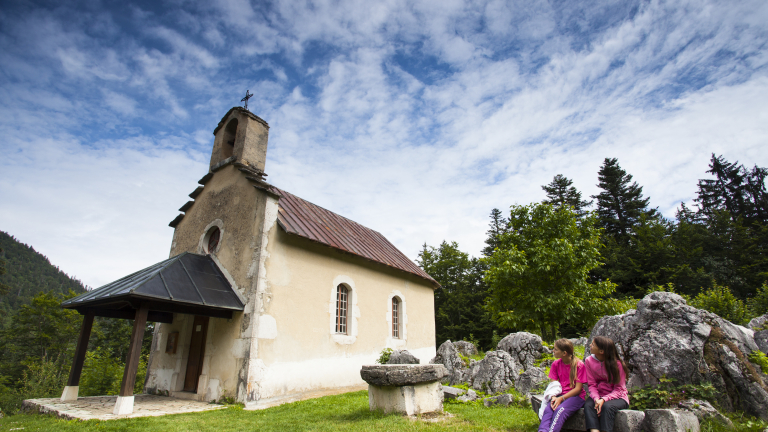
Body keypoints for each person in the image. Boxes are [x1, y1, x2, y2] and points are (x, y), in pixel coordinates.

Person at [538, 339, 587, 432]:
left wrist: (561, 398)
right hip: (559, 395)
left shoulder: (579, 365)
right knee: (548, 409)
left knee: (560, 410)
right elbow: (554, 385)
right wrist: (553, 397)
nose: (553, 351)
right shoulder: (555, 364)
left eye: (555, 349)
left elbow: (578, 389)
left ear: (564, 353)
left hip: (576, 397)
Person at [584, 336, 630, 432]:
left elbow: (619, 389)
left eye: (593, 344)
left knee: (607, 407)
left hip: (618, 397)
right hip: (598, 395)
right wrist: (597, 399)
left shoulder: (618, 365)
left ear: (601, 351)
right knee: (588, 405)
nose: (590, 345)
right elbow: (592, 384)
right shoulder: (588, 361)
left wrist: (604, 400)